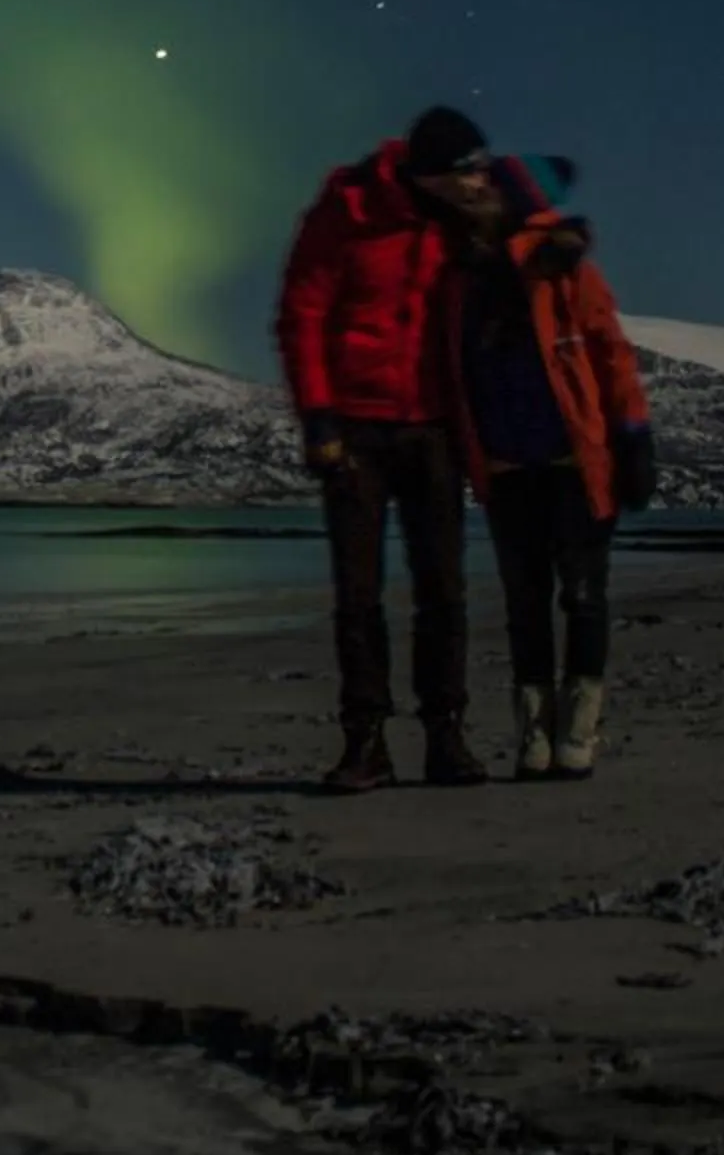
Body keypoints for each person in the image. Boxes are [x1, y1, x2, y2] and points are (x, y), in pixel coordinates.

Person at [275, 104, 575, 794]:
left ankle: (447, 736)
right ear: (433, 173)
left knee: (443, 590)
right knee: (358, 595)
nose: (479, 177)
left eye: (480, 166)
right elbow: (304, 313)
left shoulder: (465, 216)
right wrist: (318, 418)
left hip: (436, 428)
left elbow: (539, 222)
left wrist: (563, 242)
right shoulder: (346, 210)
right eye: (467, 168)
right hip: (355, 429)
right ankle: (366, 742)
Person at [431, 153, 655, 781]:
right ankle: (534, 735)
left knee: (582, 598)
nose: (475, 196)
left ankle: (576, 732)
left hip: (572, 464)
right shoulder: (459, 281)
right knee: (525, 606)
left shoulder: (562, 268)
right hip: (506, 471)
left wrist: (633, 438)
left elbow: (612, 353)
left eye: (488, 190)